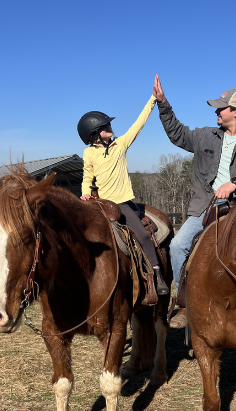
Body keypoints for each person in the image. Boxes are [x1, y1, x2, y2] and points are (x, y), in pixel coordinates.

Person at [152, 75, 236, 328]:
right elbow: (177, 133)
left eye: (221, 107)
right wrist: (163, 103)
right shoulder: (205, 136)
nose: (217, 111)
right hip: (205, 206)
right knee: (177, 246)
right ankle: (186, 303)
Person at [77, 94, 169, 302]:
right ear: (94, 135)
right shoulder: (89, 153)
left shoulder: (121, 144)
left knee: (143, 236)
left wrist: (153, 100)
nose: (109, 127)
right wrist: (84, 192)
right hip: (100, 204)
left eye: (108, 124)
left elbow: (139, 124)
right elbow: (87, 176)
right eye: (104, 126)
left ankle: (156, 273)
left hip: (121, 203)